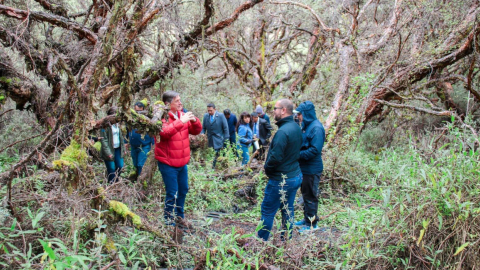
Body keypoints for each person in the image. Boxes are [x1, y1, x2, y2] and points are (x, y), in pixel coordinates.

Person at [155, 91, 202, 226]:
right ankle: (169, 220)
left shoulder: (182, 115)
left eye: (180, 100)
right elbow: (164, 133)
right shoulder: (161, 117)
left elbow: (196, 130)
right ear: (168, 104)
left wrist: (194, 120)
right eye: (177, 101)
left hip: (182, 162)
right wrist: (181, 121)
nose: (180, 103)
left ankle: (180, 217)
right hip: (168, 163)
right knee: (172, 193)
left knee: (183, 189)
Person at [258, 99, 302, 241]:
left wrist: (267, 169)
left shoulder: (283, 132)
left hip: (281, 179)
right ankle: (286, 242)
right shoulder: (296, 127)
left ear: (283, 110)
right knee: (288, 210)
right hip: (294, 177)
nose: (273, 111)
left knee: (268, 212)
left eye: (275, 108)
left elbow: (275, 158)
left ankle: (259, 243)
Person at [293, 101, 326, 233]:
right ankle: (307, 219)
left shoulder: (316, 128)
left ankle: (312, 224)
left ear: (306, 114)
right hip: (304, 168)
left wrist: (297, 155)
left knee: (311, 195)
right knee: (306, 194)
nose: (298, 117)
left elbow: (314, 150)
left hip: (312, 168)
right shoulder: (306, 126)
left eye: (300, 114)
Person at [126, 102, 154, 180]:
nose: (137, 112)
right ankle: (137, 178)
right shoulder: (131, 119)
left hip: (144, 145)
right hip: (133, 145)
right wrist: (126, 142)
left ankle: (141, 181)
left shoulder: (146, 119)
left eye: (138, 110)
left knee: (141, 164)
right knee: (135, 164)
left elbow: (152, 131)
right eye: (135, 110)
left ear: (143, 109)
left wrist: (153, 143)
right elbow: (127, 130)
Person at [99, 106, 126, 184]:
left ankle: (116, 182)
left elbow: (120, 137)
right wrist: (108, 153)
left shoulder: (117, 124)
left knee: (120, 166)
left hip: (118, 148)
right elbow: (103, 140)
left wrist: (123, 149)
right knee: (111, 168)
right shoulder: (104, 125)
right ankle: (111, 184)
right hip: (109, 149)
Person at [201, 103, 229, 168]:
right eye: (208, 111)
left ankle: (215, 166)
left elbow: (225, 128)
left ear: (215, 109)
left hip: (219, 138)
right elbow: (203, 128)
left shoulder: (221, 116)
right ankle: (212, 166)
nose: (209, 112)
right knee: (211, 153)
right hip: (210, 139)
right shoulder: (206, 116)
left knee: (217, 153)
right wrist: (202, 133)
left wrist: (226, 138)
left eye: (211, 110)